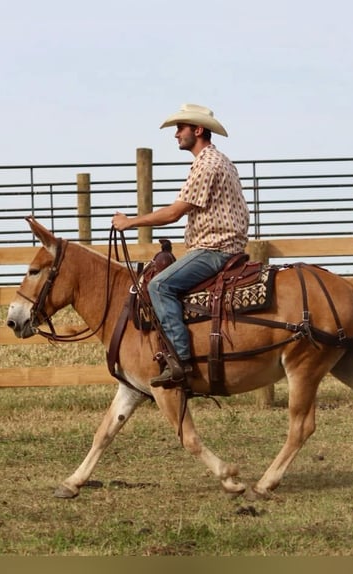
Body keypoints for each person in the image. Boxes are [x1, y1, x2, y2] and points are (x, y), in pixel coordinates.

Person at [112, 103, 250, 388]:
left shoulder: (206, 165)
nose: (176, 134)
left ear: (198, 130)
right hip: (224, 246)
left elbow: (174, 213)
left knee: (159, 286)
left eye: (180, 128)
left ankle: (179, 359)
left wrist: (130, 222)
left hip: (214, 250)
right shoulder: (220, 160)